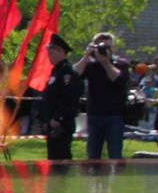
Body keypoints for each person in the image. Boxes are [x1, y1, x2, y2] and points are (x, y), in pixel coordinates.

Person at [75, 31, 130, 160]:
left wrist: (105, 62)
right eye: (101, 47)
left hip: (115, 115)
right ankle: (94, 179)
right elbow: (75, 74)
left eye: (108, 47)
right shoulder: (91, 65)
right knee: (93, 155)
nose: (104, 50)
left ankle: (116, 179)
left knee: (115, 154)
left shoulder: (121, 64)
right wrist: (86, 56)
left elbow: (117, 79)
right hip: (94, 114)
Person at [40, 33, 80, 161]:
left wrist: (58, 118)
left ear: (61, 52)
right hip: (52, 122)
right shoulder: (56, 71)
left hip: (61, 124)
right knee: (53, 158)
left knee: (61, 158)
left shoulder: (66, 72)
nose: (49, 57)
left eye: (52, 53)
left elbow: (68, 97)